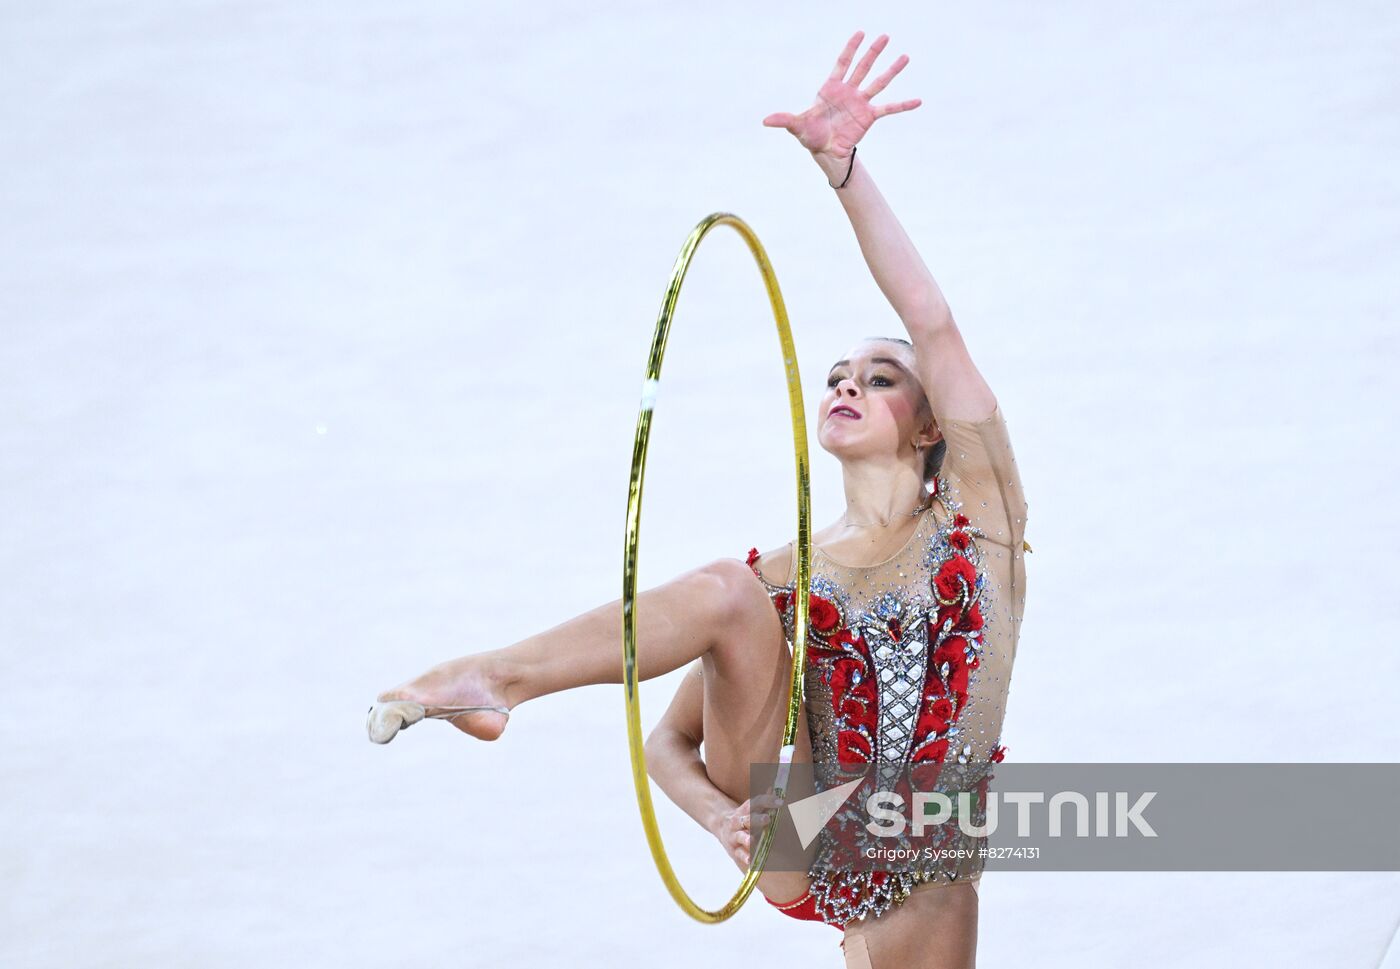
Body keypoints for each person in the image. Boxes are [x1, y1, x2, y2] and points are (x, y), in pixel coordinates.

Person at [367, 31, 1029, 969]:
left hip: (921, 854)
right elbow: (669, 742)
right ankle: (494, 679)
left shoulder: (981, 520)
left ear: (930, 427)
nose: (844, 386)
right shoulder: (778, 577)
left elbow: (932, 318)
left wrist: (843, 173)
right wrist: (721, 816)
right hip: (800, 833)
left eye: (878, 379)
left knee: (938, 871)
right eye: (836, 375)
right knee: (725, 590)